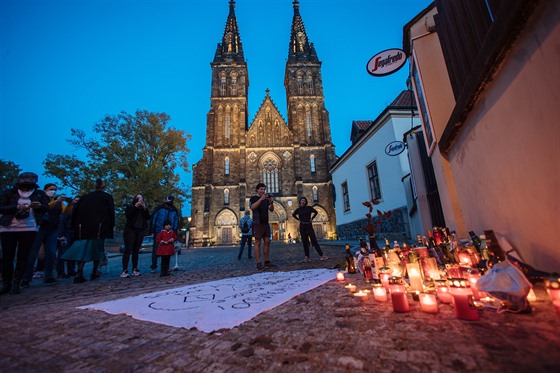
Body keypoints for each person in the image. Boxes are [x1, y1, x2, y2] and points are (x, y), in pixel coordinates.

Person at [0, 172, 49, 294]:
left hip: (29, 226)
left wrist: (38, 207)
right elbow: (2, 207)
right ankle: (6, 282)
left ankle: (17, 282)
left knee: (23, 256)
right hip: (9, 226)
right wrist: (17, 207)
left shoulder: (38, 194)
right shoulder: (9, 193)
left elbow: (46, 208)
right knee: (7, 257)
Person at [62, 178, 115, 283]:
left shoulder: (84, 197)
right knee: (98, 250)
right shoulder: (107, 197)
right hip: (99, 228)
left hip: (84, 229)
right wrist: (110, 226)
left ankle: (79, 272)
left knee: (83, 250)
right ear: (104, 187)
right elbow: (111, 213)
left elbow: (75, 213)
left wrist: (75, 226)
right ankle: (94, 272)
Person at [22, 183, 66, 285]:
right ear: (45, 189)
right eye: (51, 189)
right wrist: (56, 202)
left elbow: (65, 212)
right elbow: (44, 207)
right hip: (40, 227)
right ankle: (26, 278)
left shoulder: (58, 200)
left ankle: (48, 276)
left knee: (51, 253)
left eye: (55, 189)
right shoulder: (40, 197)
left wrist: (70, 204)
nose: (54, 191)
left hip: (52, 228)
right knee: (33, 253)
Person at [121, 194, 150, 278]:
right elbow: (128, 215)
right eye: (138, 198)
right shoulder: (130, 207)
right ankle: (124, 270)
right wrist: (135, 207)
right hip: (130, 230)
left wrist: (144, 208)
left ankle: (135, 268)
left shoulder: (143, 209)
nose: (140, 200)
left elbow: (148, 217)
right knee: (128, 249)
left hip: (140, 230)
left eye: (141, 199)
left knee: (136, 250)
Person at [292, 196, 329, 263]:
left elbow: (316, 212)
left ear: (306, 202)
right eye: (302, 200)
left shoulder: (309, 208)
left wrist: (312, 218)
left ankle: (321, 255)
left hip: (309, 225)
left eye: (304, 201)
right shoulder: (298, 210)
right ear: (300, 201)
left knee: (314, 241)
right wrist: (298, 220)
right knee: (305, 242)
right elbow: (293, 215)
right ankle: (307, 257)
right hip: (302, 226)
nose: (303, 201)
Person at [150, 195, 179, 273]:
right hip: (159, 231)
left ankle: (166, 267)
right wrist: (152, 229)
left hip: (170, 232)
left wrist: (174, 231)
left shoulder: (174, 210)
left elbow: (176, 221)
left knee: (168, 250)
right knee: (156, 249)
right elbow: (154, 219)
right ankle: (154, 266)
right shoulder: (159, 209)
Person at [249, 183, 276, 271]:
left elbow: (271, 209)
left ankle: (267, 262)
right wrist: (261, 199)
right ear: (257, 190)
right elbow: (252, 207)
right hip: (257, 223)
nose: (263, 191)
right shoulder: (253, 198)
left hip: (265, 223)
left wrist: (271, 202)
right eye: (261, 189)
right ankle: (258, 263)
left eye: (264, 189)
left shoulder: (266, 200)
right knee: (258, 243)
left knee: (267, 242)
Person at [55, 196, 79, 279]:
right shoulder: (68, 211)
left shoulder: (79, 212)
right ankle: (60, 272)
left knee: (73, 253)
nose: (76, 203)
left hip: (74, 234)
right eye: (75, 201)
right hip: (66, 233)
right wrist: (61, 235)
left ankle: (71, 270)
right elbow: (62, 222)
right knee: (63, 252)